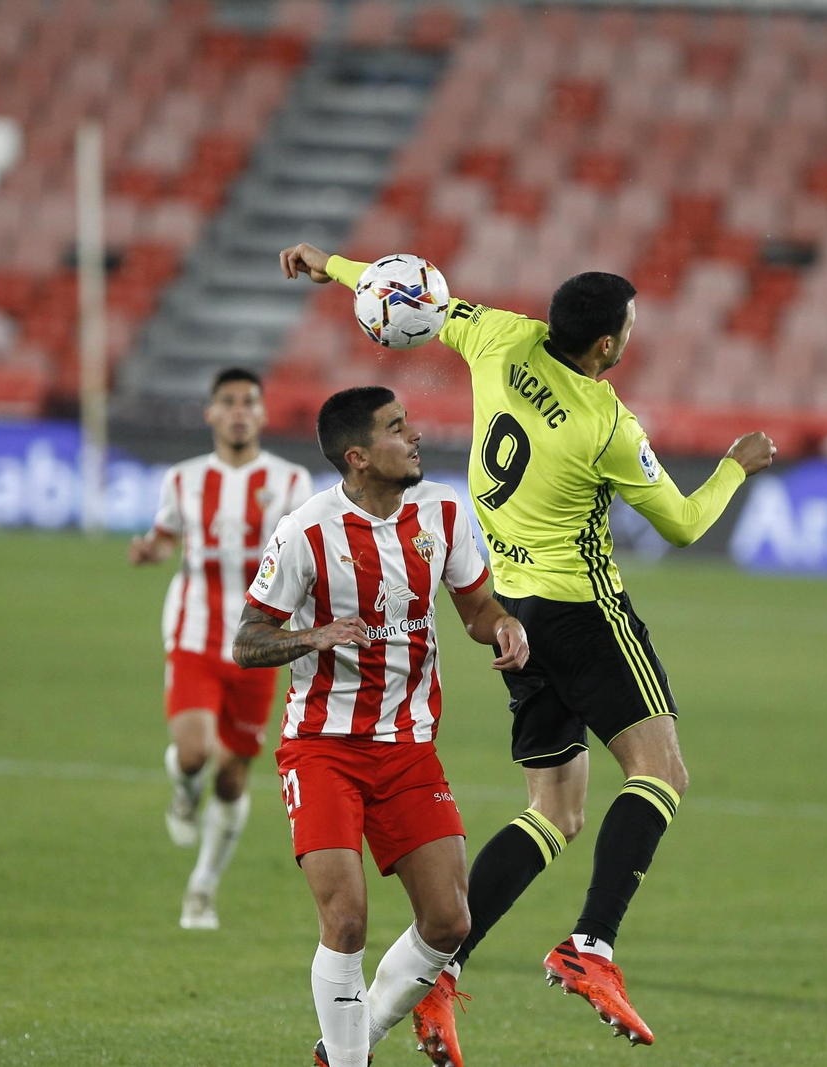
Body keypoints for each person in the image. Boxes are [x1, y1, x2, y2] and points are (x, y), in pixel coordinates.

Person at [280, 242, 776, 1055]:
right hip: (585, 612)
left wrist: (330, 265)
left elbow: (404, 294)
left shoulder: (497, 335)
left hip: (513, 614)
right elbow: (685, 524)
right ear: (607, 346)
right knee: (661, 771)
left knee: (556, 809)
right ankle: (592, 944)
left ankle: (442, 971)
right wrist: (733, 467)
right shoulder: (606, 421)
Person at [233, 385, 529, 1067]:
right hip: (322, 749)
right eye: (398, 428)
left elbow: (477, 606)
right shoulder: (307, 530)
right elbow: (248, 642)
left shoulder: (444, 513)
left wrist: (503, 626)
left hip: (408, 748)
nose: (416, 435)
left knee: (451, 920)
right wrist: (313, 636)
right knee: (346, 918)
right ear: (359, 456)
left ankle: (350, 1042)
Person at [128, 367, 312, 929]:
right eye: (227, 402)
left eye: (248, 402)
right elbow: (165, 534)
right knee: (194, 752)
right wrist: (149, 551)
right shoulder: (183, 480)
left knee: (233, 775)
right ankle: (183, 791)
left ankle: (202, 888)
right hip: (193, 630)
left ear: (261, 414)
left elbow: (308, 550)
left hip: (257, 642)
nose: (238, 411)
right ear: (211, 413)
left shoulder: (290, 481)